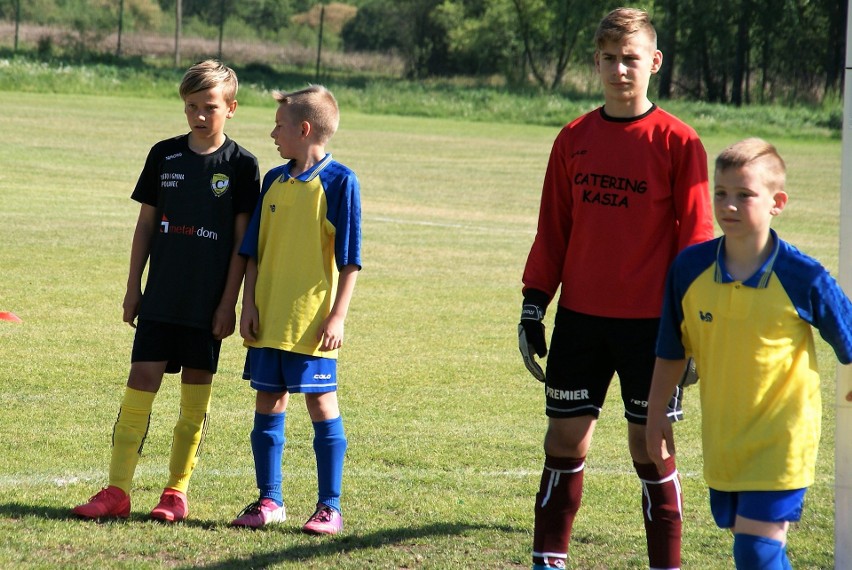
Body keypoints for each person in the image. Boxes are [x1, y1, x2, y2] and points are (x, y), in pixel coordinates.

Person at [517, 7, 714, 570]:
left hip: (652, 327)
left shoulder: (679, 142)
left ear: (653, 62)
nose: (620, 69)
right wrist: (535, 304)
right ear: (596, 63)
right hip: (580, 320)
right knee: (563, 442)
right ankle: (548, 560)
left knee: (649, 448)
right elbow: (553, 229)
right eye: (609, 59)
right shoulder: (574, 137)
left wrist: (690, 324)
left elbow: (697, 241)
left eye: (631, 59)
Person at [647, 137, 852, 569]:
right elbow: (671, 350)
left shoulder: (804, 276)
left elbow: (848, 336)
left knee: (755, 553)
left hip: (783, 441)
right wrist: (655, 413)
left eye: (744, 195)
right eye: (721, 193)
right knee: (758, 550)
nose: (729, 205)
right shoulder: (688, 270)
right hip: (725, 442)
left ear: (777, 202)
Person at [72, 59, 260, 522]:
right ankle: (116, 490)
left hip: (206, 304)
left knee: (194, 398)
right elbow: (144, 227)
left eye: (209, 107)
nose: (199, 115)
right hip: (160, 297)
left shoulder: (241, 166)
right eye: (191, 106)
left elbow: (242, 244)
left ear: (231, 108)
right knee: (140, 383)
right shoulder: (163, 155)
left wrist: (227, 304)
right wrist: (132, 287)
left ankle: (175, 493)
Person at [230, 85, 361, 535]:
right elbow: (254, 253)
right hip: (268, 319)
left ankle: (330, 507)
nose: (272, 133)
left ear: (305, 130)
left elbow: (350, 260)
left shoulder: (340, 182)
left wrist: (338, 316)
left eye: (279, 126)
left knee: (322, 405)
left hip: (312, 324)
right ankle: (270, 500)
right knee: (268, 401)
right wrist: (248, 304)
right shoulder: (272, 181)